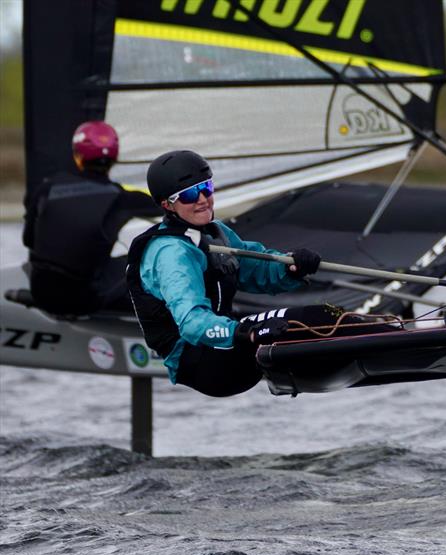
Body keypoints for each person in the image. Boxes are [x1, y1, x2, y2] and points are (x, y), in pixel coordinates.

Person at [127, 150, 398, 397]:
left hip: (225, 350)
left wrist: (291, 267)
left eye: (206, 188)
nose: (202, 200)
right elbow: (191, 323)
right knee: (315, 317)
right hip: (203, 362)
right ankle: (397, 346)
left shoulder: (214, 233)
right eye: (188, 195)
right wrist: (246, 334)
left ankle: (395, 343)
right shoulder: (171, 253)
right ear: (167, 205)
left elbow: (257, 271)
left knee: (329, 316)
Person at [23, 121, 162, 314]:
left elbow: (28, 239)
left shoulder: (48, 187)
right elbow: (167, 206)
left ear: (77, 156)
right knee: (148, 258)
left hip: (40, 289)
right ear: (114, 157)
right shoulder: (122, 198)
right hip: (83, 300)